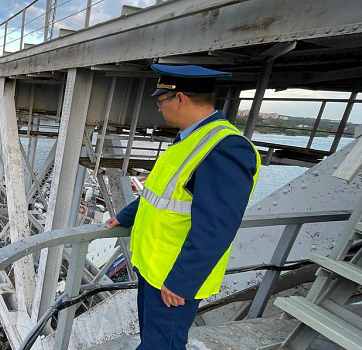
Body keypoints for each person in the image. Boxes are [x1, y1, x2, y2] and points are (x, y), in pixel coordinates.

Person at [106, 64, 261, 350]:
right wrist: (126, 215)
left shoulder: (225, 148)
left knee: (162, 346)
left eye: (161, 102)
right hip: (154, 267)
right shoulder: (191, 139)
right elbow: (159, 194)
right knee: (153, 341)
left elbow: (216, 226)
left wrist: (182, 281)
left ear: (180, 99)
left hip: (173, 278)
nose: (160, 109)